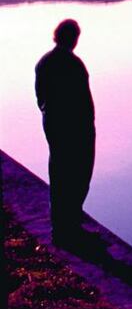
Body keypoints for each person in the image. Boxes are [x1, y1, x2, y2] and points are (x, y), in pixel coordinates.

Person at [35, 18, 96, 248]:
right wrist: (88, 126)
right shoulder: (73, 64)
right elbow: (83, 99)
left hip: (53, 125)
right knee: (78, 175)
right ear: (73, 39)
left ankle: (62, 227)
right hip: (76, 128)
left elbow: (41, 98)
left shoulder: (44, 62)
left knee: (59, 173)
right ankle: (69, 229)